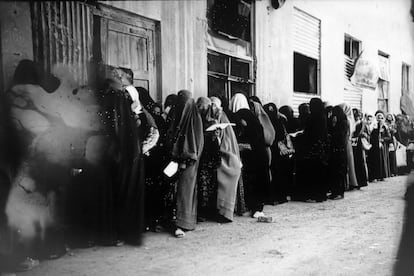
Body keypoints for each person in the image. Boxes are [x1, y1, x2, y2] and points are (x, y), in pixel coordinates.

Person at [165, 90, 204, 238]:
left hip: (188, 160)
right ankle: (182, 221)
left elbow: (196, 142)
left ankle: (182, 223)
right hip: (177, 159)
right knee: (179, 191)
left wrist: (185, 158)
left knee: (184, 191)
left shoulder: (194, 119)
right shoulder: (177, 117)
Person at [229, 93, 268, 218]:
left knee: (253, 181)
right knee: (254, 181)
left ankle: (255, 207)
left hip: (253, 156)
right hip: (257, 156)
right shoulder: (252, 118)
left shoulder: (243, 116)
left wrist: (240, 146)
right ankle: (255, 207)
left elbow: (250, 140)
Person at [210, 96, 242, 222]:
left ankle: (225, 213)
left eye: (214, 105)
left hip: (227, 157)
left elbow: (225, 142)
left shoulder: (221, 118)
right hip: (228, 156)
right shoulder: (218, 117)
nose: (212, 108)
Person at [195, 97, 221, 221]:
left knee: (209, 184)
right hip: (204, 156)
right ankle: (202, 212)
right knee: (203, 184)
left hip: (210, 155)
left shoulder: (212, 120)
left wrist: (215, 135)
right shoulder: (198, 119)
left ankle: (207, 211)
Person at [264, 103, 294, 204]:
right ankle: (281, 196)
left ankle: (274, 197)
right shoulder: (280, 121)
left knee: (274, 173)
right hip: (280, 153)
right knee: (280, 174)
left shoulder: (266, 123)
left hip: (274, 152)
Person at [299, 98, 329, 202]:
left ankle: (314, 195)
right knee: (320, 172)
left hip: (312, 148)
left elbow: (308, 133)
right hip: (320, 148)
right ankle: (321, 195)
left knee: (313, 172)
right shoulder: (323, 116)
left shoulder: (312, 117)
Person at [248, 96, 275, 204]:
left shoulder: (262, 118)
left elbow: (269, 139)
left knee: (265, 173)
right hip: (261, 150)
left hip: (264, 150)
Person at [327, 106, 348, 199]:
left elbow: (340, 137)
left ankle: (339, 193)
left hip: (339, 151)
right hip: (339, 151)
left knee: (338, 172)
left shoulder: (341, 124)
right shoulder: (342, 122)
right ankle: (336, 192)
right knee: (336, 172)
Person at [339, 103, 359, 190]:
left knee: (346, 162)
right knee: (350, 163)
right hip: (349, 142)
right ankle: (352, 181)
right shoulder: (351, 119)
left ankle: (347, 183)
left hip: (345, 141)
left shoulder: (345, 119)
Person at [368, 110, 391, 181]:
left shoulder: (385, 127)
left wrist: (383, 140)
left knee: (382, 161)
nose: (380, 120)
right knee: (375, 160)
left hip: (382, 146)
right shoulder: (374, 126)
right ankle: (375, 176)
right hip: (375, 146)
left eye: (381, 118)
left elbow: (389, 137)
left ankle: (381, 175)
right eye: (378, 118)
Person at [352, 108, 369, 188]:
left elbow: (360, 133)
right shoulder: (353, 122)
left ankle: (361, 181)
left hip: (358, 143)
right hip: (353, 143)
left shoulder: (361, 123)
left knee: (359, 161)